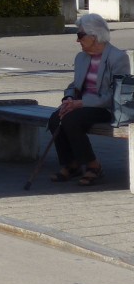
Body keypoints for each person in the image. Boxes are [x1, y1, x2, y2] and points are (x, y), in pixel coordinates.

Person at [48, 12, 129, 186]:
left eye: (80, 35)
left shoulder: (118, 58)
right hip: (83, 105)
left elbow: (117, 93)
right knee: (56, 118)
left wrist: (82, 103)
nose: (77, 40)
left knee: (71, 120)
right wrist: (68, 98)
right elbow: (74, 84)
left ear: (94, 36)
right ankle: (71, 164)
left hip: (107, 108)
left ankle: (93, 166)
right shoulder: (81, 58)